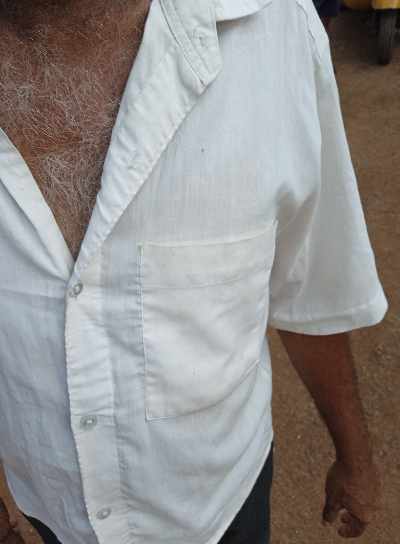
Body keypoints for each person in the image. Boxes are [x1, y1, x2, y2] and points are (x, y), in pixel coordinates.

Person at [0, 1, 388, 543]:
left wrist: (354, 456)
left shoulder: (279, 34)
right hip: (49, 508)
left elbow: (311, 287)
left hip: (224, 507)